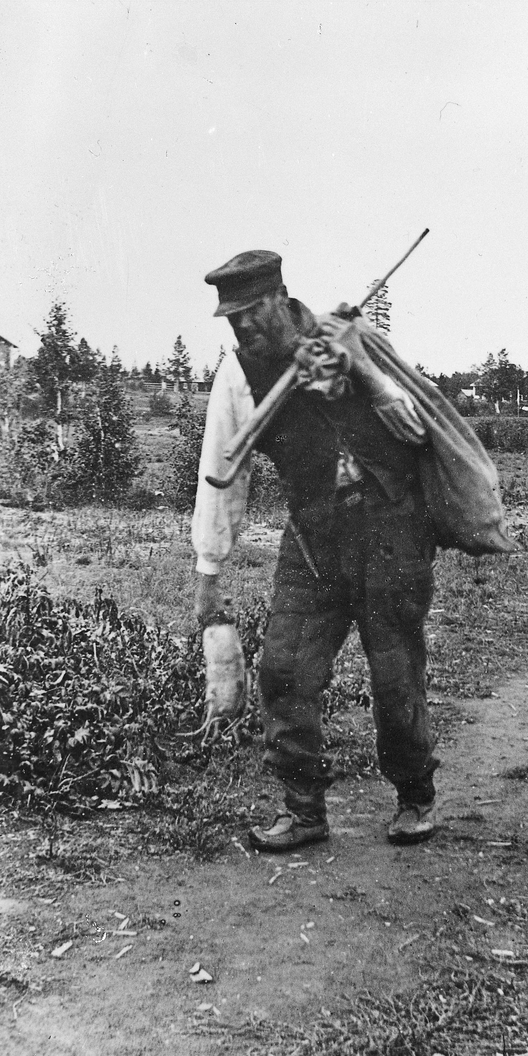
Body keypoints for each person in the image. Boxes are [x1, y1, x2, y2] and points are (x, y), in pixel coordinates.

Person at [192, 249, 441, 854]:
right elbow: (221, 473)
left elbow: (419, 426)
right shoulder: (239, 375)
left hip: (389, 534)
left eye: (252, 310)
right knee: (283, 670)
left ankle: (415, 796)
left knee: (396, 674)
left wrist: (371, 382)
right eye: (232, 317)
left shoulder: (352, 339)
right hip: (313, 542)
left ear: (281, 297)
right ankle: (303, 810)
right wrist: (209, 570)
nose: (242, 325)